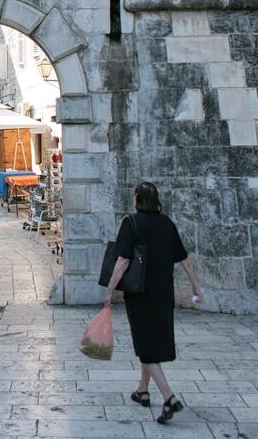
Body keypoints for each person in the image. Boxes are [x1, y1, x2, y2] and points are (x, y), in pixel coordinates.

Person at [103, 181, 203, 425]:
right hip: (163, 294)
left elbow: (124, 260)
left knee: (145, 347)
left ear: (137, 198)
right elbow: (184, 259)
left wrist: (110, 289)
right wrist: (195, 286)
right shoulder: (167, 224)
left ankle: (169, 397)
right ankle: (142, 391)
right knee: (151, 341)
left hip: (140, 295)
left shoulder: (132, 223)